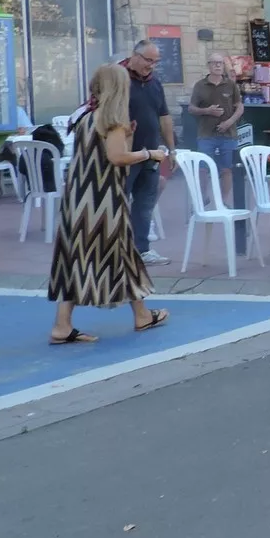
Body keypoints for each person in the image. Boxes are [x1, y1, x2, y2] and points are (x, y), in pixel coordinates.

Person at [47, 64, 172, 345]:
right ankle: (139, 316)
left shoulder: (86, 115)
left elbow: (102, 154)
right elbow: (117, 159)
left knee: (79, 258)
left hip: (79, 199)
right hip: (103, 202)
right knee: (120, 253)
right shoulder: (112, 118)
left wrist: (127, 138)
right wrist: (149, 153)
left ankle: (63, 325)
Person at [123, 40, 176, 266]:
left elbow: (164, 117)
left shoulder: (155, 84)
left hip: (152, 154)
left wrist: (172, 149)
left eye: (156, 62)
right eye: (148, 60)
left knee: (145, 203)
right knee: (118, 202)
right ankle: (114, 250)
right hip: (126, 155)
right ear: (134, 56)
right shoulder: (120, 80)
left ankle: (141, 250)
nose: (151, 66)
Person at [188, 52, 243, 202]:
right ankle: (203, 199)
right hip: (206, 134)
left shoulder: (231, 85)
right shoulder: (200, 85)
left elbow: (239, 107)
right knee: (203, 168)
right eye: (214, 63)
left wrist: (229, 122)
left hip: (228, 134)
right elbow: (191, 108)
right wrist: (207, 111)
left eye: (220, 63)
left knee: (227, 169)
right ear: (209, 66)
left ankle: (223, 201)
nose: (218, 65)